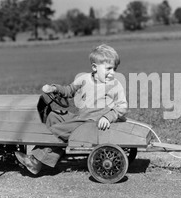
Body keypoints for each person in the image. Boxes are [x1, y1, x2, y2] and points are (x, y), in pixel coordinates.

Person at [15, 44, 128, 175]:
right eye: (108, 68)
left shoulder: (115, 85)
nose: (112, 73)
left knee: (56, 130)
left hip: (93, 123)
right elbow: (69, 90)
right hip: (81, 119)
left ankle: (35, 161)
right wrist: (55, 88)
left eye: (114, 69)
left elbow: (122, 107)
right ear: (94, 67)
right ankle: (54, 153)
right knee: (54, 116)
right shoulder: (85, 79)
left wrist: (107, 117)